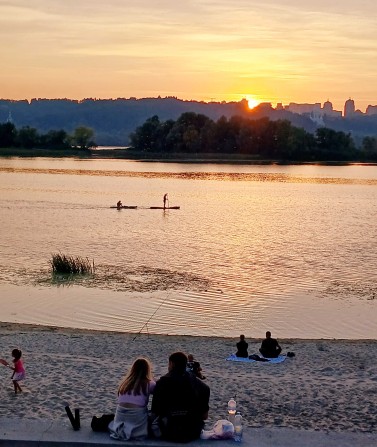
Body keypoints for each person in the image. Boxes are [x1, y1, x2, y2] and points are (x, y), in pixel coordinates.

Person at [150, 351, 210, 443]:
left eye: (168, 364)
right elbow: (205, 416)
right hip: (193, 431)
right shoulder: (195, 382)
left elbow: (156, 412)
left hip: (169, 430)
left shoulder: (162, 383)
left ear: (172, 364)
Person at [108, 357, 156, 441]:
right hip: (136, 416)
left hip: (120, 416)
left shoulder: (125, 383)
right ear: (147, 370)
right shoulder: (149, 384)